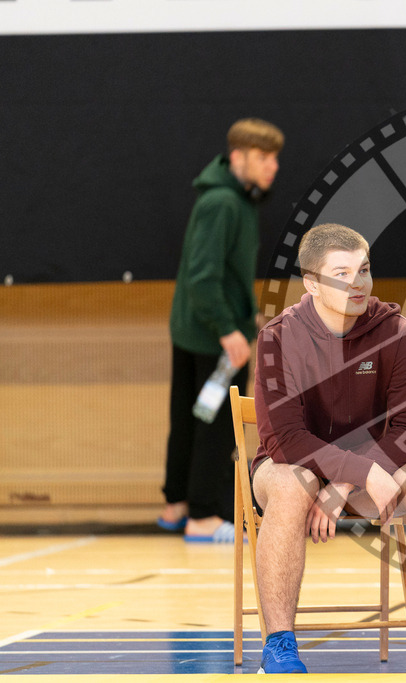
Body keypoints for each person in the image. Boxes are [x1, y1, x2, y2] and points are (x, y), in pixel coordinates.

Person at [251, 223, 406, 674]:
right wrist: (356, 472)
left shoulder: (395, 331)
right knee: (293, 484)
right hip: (292, 467)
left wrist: (346, 481)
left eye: (363, 270)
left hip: (370, 471)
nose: (357, 283)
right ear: (311, 283)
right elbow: (284, 439)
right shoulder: (278, 337)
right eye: (341, 273)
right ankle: (279, 645)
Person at [159, 118, 284, 542]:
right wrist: (229, 330)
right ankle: (204, 515)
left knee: (191, 416)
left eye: (275, 158)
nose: (273, 166)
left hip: (197, 329)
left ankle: (176, 505)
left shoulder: (235, 201)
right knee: (216, 424)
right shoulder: (223, 204)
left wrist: (247, 316)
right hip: (213, 336)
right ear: (237, 157)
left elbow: (226, 275)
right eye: (264, 157)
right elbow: (203, 276)